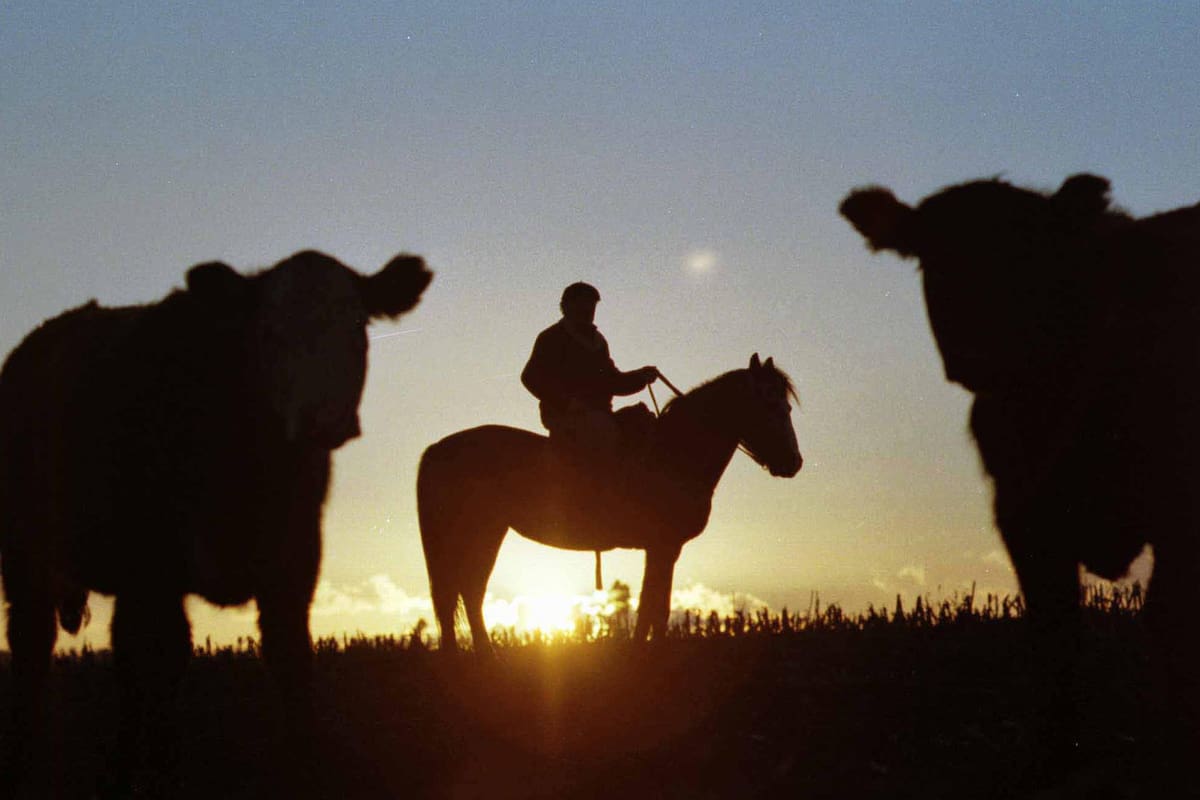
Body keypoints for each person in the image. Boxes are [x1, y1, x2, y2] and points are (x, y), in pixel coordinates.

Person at [521, 282, 658, 454]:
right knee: (603, 430)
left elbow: (612, 382)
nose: (588, 310)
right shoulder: (551, 337)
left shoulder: (599, 343)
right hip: (565, 417)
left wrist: (640, 377)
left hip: (601, 415)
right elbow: (530, 377)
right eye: (582, 304)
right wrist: (568, 404)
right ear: (566, 306)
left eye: (591, 305)